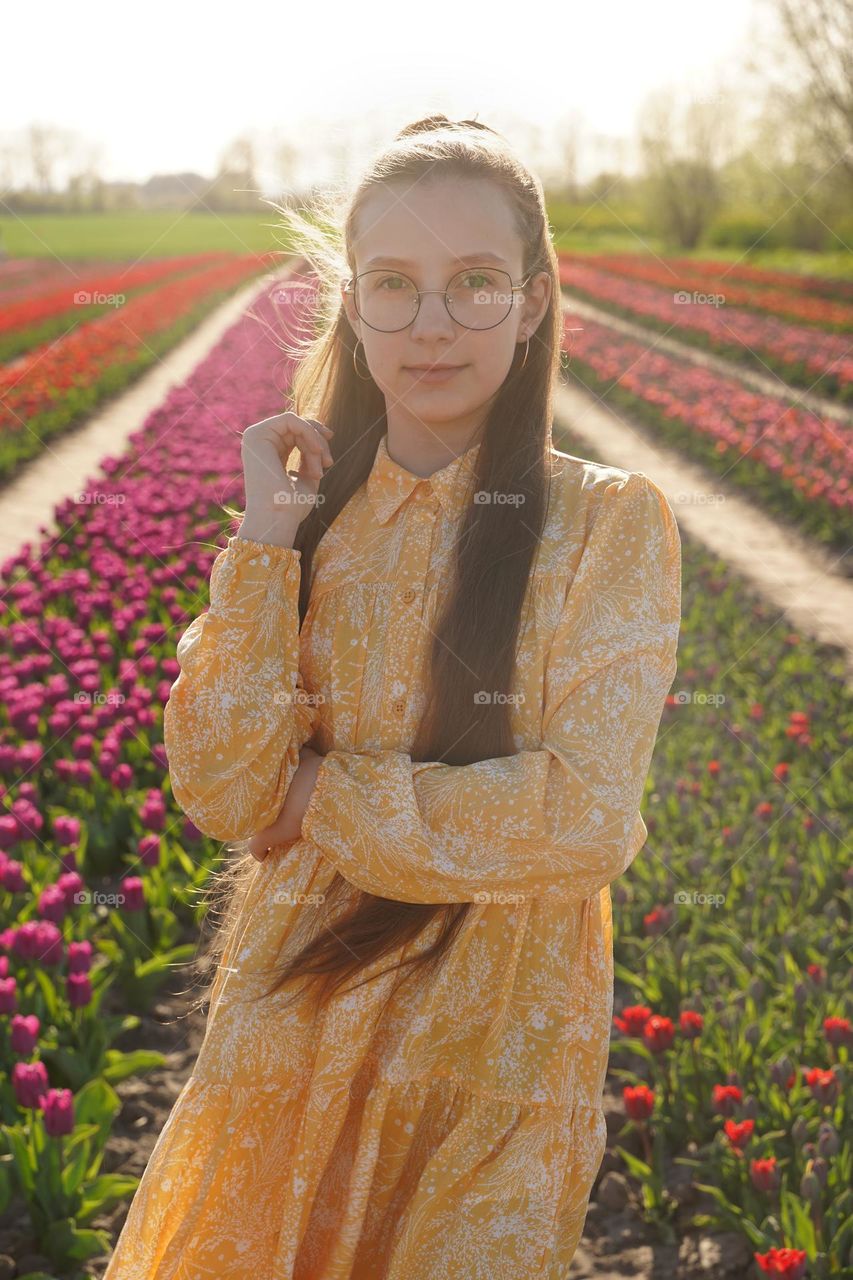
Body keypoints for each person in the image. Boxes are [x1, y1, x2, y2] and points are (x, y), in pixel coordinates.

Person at [104, 113, 681, 1279]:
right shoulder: (307, 527)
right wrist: (265, 537)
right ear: (351, 306)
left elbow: (584, 819)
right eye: (395, 285)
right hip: (294, 1026)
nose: (431, 324)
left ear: (530, 302)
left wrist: (318, 791)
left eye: (474, 284)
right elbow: (222, 786)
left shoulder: (604, 524)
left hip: (495, 1052)